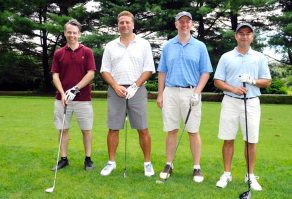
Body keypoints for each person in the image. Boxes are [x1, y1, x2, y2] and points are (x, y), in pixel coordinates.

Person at [214, 22, 271, 191]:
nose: (244, 36)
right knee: (228, 138)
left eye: (248, 33)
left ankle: (250, 175)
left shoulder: (259, 57)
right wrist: (233, 88)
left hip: (252, 102)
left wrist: (252, 80)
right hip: (230, 101)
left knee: (251, 140)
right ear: (236, 36)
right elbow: (217, 81)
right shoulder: (226, 57)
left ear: (252, 37)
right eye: (241, 33)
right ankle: (226, 174)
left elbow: (267, 81)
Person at [157, 11, 213, 183]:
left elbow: (205, 72)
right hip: (171, 92)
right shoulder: (167, 46)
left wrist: (197, 92)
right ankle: (169, 164)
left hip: (191, 92)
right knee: (171, 130)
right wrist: (160, 94)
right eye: (181, 21)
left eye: (187, 22)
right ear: (176, 24)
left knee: (193, 131)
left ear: (191, 24)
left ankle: (196, 167)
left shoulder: (200, 46)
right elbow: (162, 71)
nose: (184, 24)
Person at [100, 11, 156, 177]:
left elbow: (149, 69)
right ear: (117, 25)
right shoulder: (110, 46)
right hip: (115, 89)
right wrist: (115, 85)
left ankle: (147, 163)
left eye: (127, 22)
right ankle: (111, 162)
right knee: (113, 128)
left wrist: (135, 85)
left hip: (137, 90)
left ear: (133, 24)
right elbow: (105, 70)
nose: (124, 25)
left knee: (143, 128)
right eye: (121, 22)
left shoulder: (144, 44)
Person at [51, 19, 96, 171]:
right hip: (62, 100)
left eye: (75, 33)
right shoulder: (59, 53)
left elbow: (90, 74)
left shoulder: (87, 52)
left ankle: (88, 159)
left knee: (86, 130)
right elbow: (55, 75)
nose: (72, 35)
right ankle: (63, 159)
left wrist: (75, 89)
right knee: (63, 129)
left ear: (79, 34)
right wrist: (64, 93)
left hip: (83, 99)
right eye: (69, 32)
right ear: (65, 33)